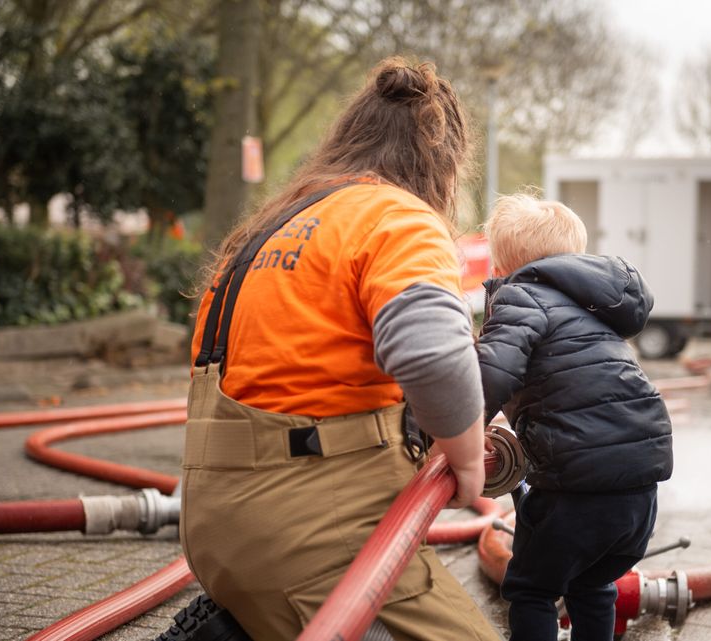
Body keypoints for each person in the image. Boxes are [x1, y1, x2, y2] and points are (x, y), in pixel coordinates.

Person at [181, 57, 499, 641]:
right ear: (441, 162)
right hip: (310, 525)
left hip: (212, 520)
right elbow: (432, 354)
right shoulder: (398, 218)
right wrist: (468, 459)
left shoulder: (273, 222)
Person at [476, 194, 673, 641]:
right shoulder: (597, 309)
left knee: (531, 588)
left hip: (575, 490)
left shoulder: (519, 296)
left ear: (504, 265)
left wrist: (459, 430)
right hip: (641, 489)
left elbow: (493, 370)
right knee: (593, 582)